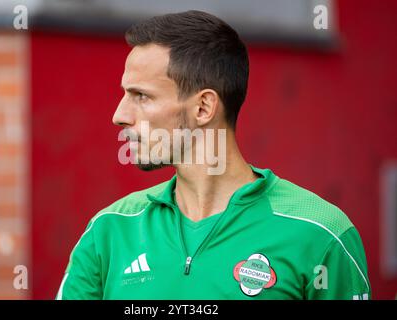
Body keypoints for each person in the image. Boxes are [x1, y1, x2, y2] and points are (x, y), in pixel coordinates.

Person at [56, 10, 371, 300]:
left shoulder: (320, 233)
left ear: (203, 107)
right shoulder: (109, 230)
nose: (119, 115)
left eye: (142, 96)